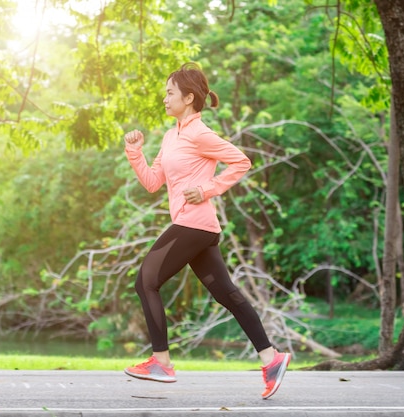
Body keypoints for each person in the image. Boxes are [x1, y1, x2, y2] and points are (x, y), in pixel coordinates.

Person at [122, 62, 290, 400]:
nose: (164, 98)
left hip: (192, 224)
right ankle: (271, 359)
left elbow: (241, 161)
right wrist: (134, 152)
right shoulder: (172, 136)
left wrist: (209, 189)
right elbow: (154, 183)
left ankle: (162, 362)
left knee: (146, 281)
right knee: (226, 294)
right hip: (198, 228)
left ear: (188, 97)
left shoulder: (200, 133)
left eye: (170, 93)